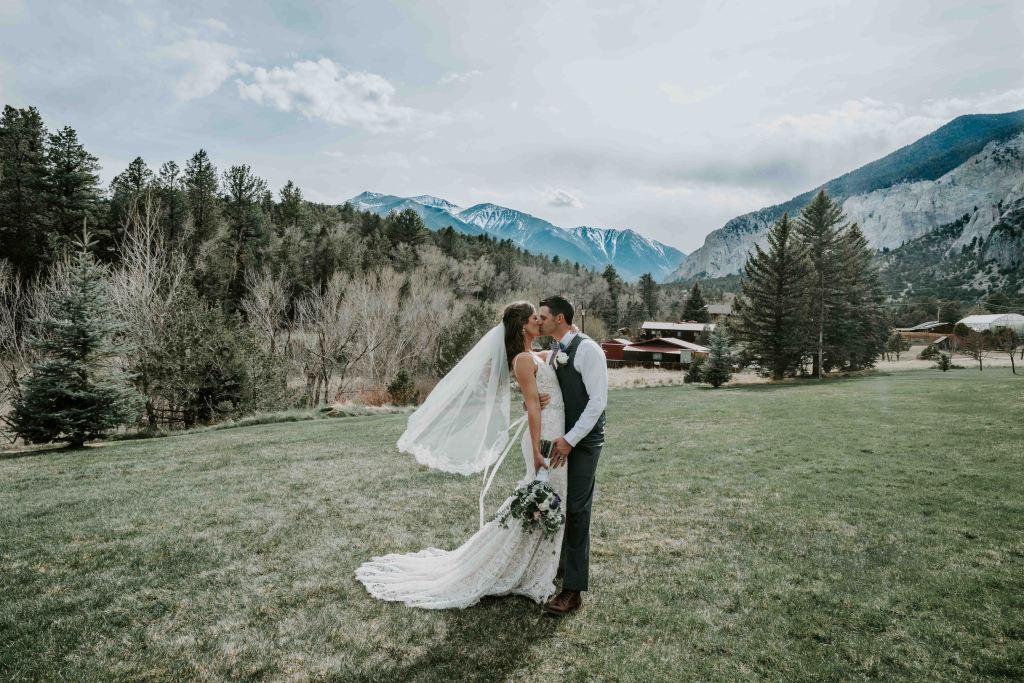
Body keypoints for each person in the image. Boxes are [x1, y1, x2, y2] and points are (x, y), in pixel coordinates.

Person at [355, 301, 570, 609]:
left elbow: (557, 364)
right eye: (535, 317)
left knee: (551, 494)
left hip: (555, 430)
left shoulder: (540, 354)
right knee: (542, 494)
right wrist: (536, 449)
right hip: (543, 438)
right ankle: (509, 565)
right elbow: (534, 406)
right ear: (523, 325)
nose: (540, 321)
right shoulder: (523, 359)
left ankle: (541, 561)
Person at [537, 295, 608, 616]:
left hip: (582, 441)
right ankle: (560, 567)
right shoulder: (556, 349)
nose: (540, 321)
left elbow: (597, 402)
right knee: (559, 503)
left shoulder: (589, 350)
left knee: (578, 510)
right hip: (560, 440)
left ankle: (573, 591)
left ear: (560, 319)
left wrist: (571, 439)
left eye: (544, 316)